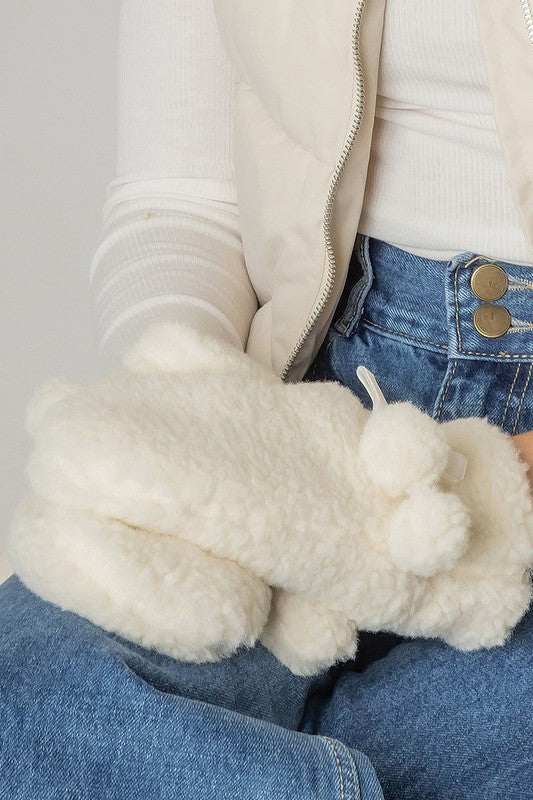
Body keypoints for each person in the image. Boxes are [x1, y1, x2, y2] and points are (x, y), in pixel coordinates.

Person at [1, 1, 532, 797]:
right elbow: (183, 198)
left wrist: (495, 487)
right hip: (306, 411)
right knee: (33, 695)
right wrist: (196, 422)